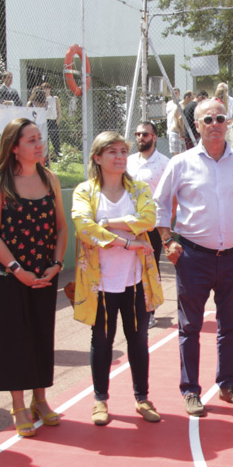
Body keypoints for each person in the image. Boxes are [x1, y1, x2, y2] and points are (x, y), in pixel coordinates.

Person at [153, 97, 233, 418]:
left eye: (221, 118)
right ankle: (190, 391)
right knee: (190, 327)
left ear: (228, 122)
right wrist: (166, 241)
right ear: (197, 125)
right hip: (192, 258)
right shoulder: (181, 163)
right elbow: (160, 204)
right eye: (208, 119)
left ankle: (228, 385)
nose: (215, 124)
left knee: (230, 326)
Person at [0, 118, 68, 437]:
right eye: (31, 140)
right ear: (14, 147)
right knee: (13, 338)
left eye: (39, 138)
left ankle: (40, 400)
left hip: (44, 271)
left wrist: (57, 264)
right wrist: (18, 271)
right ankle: (18, 404)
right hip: (9, 273)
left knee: (41, 334)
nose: (38, 144)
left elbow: (61, 227)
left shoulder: (50, 178)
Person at [73, 131, 164, 425]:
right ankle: (100, 400)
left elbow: (148, 220)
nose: (121, 156)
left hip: (135, 280)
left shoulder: (138, 189)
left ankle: (142, 397)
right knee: (101, 341)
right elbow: (83, 228)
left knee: (138, 339)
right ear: (97, 158)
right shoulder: (85, 191)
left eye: (124, 151)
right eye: (112, 152)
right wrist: (127, 241)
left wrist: (108, 223)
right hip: (99, 283)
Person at [127, 121, 170, 288]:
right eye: (137, 134)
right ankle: (134, 306)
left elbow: (169, 196)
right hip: (128, 222)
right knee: (130, 265)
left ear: (154, 137)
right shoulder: (128, 161)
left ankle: (150, 309)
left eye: (144, 134)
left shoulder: (164, 163)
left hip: (152, 224)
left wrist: (165, 224)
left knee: (151, 264)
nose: (140, 137)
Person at [40, 82, 61, 160]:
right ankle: (46, 157)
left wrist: (57, 120)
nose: (46, 90)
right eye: (44, 88)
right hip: (44, 121)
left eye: (47, 88)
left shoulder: (54, 98)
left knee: (55, 139)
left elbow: (59, 111)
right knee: (45, 140)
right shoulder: (41, 100)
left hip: (52, 121)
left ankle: (55, 155)